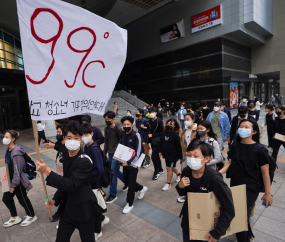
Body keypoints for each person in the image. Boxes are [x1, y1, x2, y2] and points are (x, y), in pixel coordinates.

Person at [36, 121, 102, 242]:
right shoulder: (66, 155)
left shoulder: (85, 161)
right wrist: (55, 199)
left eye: (76, 137)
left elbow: (70, 184)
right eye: (69, 137)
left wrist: (47, 171)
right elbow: (64, 180)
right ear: (64, 138)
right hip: (68, 210)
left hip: (84, 210)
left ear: (81, 139)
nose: (72, 140)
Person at [219, 119, 273, 241]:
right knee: (242, 214)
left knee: (238, 215)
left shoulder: (260, 150)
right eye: (241, 126)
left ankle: (243, 239)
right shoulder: (235, 145)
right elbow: (230, 162)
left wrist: (268, 194)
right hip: (235, 185)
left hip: (251, 188)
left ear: (254, 131)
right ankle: (247, 235)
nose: (242, 128)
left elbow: (265, 173)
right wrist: (218, 173)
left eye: (246, 127)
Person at [176, 140, 235, 242]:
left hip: (207, 227)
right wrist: (180, 186)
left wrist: (217, 233)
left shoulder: (214, 178)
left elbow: (229, 208)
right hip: (188, 222)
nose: (191, 159)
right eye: (189, 155)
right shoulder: (186, 171)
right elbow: (184, 194)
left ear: (206, 158)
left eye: (195, 156)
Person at [1, 130, 37, 227]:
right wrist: (3, 179)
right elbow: (8, 166)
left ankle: (31, 215)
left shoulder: (16, 153)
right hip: (10, 179)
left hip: (19, 181)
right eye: (4, 136)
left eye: (6, 137)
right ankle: (15, 217)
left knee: (22, 199)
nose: (4, 138)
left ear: (13, 139)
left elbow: (17, 171)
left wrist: (13, 185)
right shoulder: (8, 150)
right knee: (6, 198)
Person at [82, 123, 109, 239]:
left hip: (93, 183)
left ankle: (98, 231)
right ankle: (103, 219)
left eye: (86, 134)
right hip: (89, 182)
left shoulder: (94, 149)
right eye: (82, 134)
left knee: (94, 208)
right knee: (94, 205)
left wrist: (89, 180)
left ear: (92, 134)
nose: (84, 136)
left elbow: (99, 169)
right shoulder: (86, 146)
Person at [119, 116, 148, 213]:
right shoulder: (123, 134)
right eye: (124, 125)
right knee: (126, 181)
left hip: (133, 163)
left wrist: (129, 162)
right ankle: (141, 188)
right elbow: (122, 148)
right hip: (125, 162)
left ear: (132, 124)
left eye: (128, 124)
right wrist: (120, 159)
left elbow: (139, 151)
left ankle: (129, 204)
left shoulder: (137, 135)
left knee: (131, 184)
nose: (126, 126)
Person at [103, 111, 125, 203]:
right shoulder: (106, 129)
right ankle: (127, 182)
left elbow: (122, 142)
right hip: (110, 154)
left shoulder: (118, 129)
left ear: (113, 119)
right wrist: (104, 154)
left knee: (113, 174)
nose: (107, 121)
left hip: (117, 155)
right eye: (106, 120)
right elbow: (106, 142)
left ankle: (113, 194)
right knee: (115, 171)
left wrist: (120, 156)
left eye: (108, 120)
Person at [178, 113, 197, 203]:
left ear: (193, 120)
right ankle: (185, 194)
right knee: (185, 173)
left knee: (195, 173)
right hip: (186, 155)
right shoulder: (184, 131)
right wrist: (183, 155)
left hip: (196, 156)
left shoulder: (197, 130)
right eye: (185, 119)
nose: (186, 121)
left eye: (188, 119)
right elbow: (183, 145)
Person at [159, 118, 182, 191]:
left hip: (173, 155)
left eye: (171, 124)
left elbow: (179, 146)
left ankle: (168, 184)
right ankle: (179, 175)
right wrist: (160, 152)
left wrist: (180, 156)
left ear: (175, 126)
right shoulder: (164, 133)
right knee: (172, 167)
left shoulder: (175, 135)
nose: (169, 125)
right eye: (168, 124)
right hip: (166, 154)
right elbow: (161, 143)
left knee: (169, 168)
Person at [148, 107, 164, 180]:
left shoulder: (159, 121)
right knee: (156, 156)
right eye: (150, 112)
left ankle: (156, 171)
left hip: (158, 142)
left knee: (153, 156)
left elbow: (162, 132)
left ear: (155, 112)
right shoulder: (149, 121)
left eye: (152, 112)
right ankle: (160, 169)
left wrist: (153, 135)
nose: (151, 114)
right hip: (152, 141)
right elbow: (148, 131)